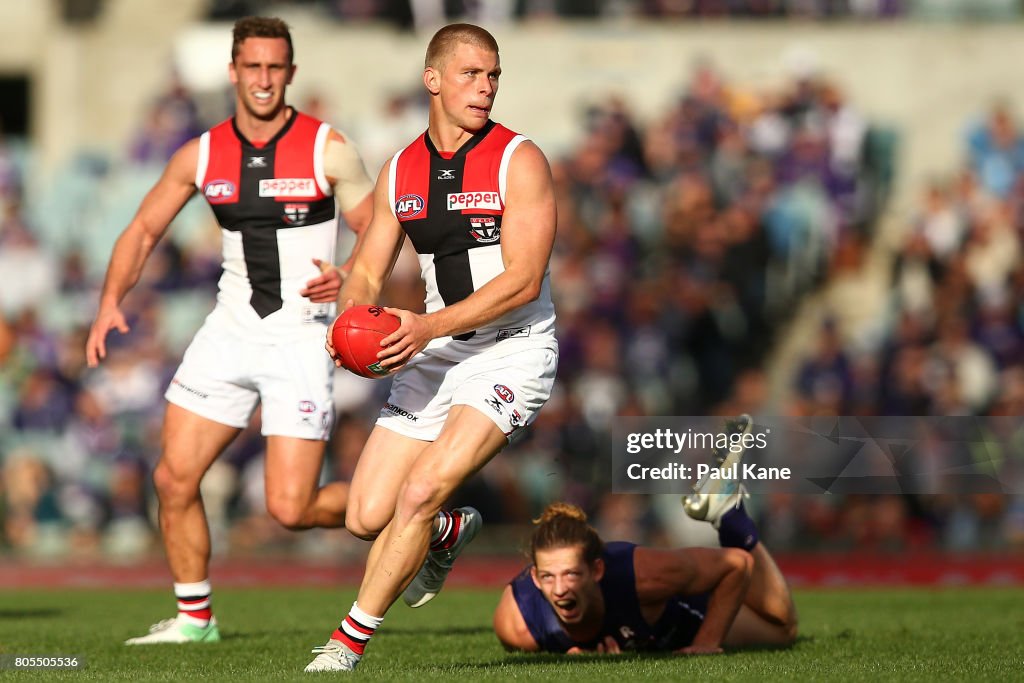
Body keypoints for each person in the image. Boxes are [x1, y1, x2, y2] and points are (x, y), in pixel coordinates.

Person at [85, 16, 375, 644]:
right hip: (229, 330)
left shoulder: (329, 147)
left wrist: (351, 272)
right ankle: (196, 620)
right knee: (172, 478)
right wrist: (111, 301)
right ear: (233, 72)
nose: (264, 79)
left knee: (290, 510)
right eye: (253, 67)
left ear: (290, 73)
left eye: (276, 67)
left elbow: (382, 228)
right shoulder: (203, 153)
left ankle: (422, 518)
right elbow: (142, 231)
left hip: (300, 335)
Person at [303, 23, 559, 672]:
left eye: (494, 74)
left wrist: (423, 327)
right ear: (433, 79)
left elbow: (523, 280)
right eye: (472, 73)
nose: (487, 86)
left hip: (511, 350)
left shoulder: (518, 159)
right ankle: (448, 531)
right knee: (364, 516)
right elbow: (365, 270)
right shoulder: (403, 168)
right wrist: (348, 327)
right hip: (436, 352)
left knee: (419, 492)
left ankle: (346, 642)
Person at [493, 418, 798, 655]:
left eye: (572, 574)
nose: (559, 589)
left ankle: (729, 515)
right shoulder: (517, 627)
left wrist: (706, 642)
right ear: (534, 577)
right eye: (548, 576)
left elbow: (736, 564)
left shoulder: (643, 575)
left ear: (597, 569)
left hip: (682, 613)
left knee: (782, 628)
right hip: (646, 633)